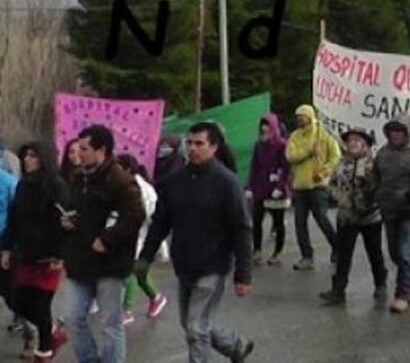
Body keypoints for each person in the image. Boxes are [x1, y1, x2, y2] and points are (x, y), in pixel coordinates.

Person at [136, 121, 253, 362]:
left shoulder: (226, 182)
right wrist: (145, 257)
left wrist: (244, 274)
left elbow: (241, 229)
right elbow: (160, 222)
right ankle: (235, 346)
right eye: (189, 143)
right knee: (191, 323)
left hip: (213, 266)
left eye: (200, 144)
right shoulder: (175, 181)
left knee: (196, 327)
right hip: (185, 264)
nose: (193, 148)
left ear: (214, 147)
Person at [62, 125, 145, 363]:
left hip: (110, 264)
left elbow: (135, 216)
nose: (79, 154)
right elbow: (78, 209)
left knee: (110, 323)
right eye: (78, 149)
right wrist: (69, 220)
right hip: (80, 261)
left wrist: (107, 239)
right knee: (74, 317)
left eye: (84, 149)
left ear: (102, 150)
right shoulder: (79, 177)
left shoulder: (120, 180)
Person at [0, 142, 70, 362]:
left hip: (49, 257)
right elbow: (14, 219)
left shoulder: (57, 186)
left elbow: (65, 224)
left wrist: (60, 255)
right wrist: (7, 248)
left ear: (44, 159)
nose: (27, 160)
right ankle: (52, 334)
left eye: (32, 155)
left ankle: (44, 352)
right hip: (26, 254)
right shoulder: (23, 185)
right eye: (26, 155)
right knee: (18, 301)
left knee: (40, 305)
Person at [373, 115, 410, 314]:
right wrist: (373, 194)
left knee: (406, 253)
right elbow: (376, 178)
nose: (396, 135)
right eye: (393, 131)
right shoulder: (382, 154)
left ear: (407, 133)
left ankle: (402, 294)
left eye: (400, 131)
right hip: (389, 210)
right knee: (395, 254)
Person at [321, 128, 388, 306]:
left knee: (374, 253)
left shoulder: (373, 163)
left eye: (357, 140)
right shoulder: (341, 164)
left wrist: (371, 193)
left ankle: (380, 284)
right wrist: (340, 198)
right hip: (347, 217)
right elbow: (332, 185)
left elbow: (381, 187)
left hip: (370, 217)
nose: (353, 143)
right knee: (343, 255)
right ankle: (338, 290)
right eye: (350, 140)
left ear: (365, 144)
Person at [286, 104, 341, 271]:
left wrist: (324, 172)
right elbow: (290, 156)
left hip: (318, 186)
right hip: (300, 186)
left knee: (321, 219)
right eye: (297, 117)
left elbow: (335, 156)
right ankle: (307, 256)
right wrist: (309, 151)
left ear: (309, 116)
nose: (299, 119)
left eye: (302, 116)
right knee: (299, 223)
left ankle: (337, 247)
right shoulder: (295, 136)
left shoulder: (323, 134)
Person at [116, 156, 167, 326]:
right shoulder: (120, 185)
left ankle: (127, 310)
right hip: (127, 235)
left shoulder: (145, 190)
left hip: (142, 236)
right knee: (138, 272)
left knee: (131, 269)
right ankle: (156, 297)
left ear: (128, 170)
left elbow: (153, 216)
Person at [245, 114, 290, 267]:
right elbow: (254, 167)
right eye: (262, 130)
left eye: (267, 129)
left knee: (278, 221)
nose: (264, 133)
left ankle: (277, 252)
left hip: (276, 189)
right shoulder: (258, 146)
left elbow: (285, 168)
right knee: (256, 220)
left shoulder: (282, 145)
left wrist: (280, 187)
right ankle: (256, 250)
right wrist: (250, 186)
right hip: (261, 188)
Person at [0, 160, 17, 333]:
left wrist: (9, 247)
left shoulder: (10, 182)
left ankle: (31, 328)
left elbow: (17, 217)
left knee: (9, 292)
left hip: (3, 241)